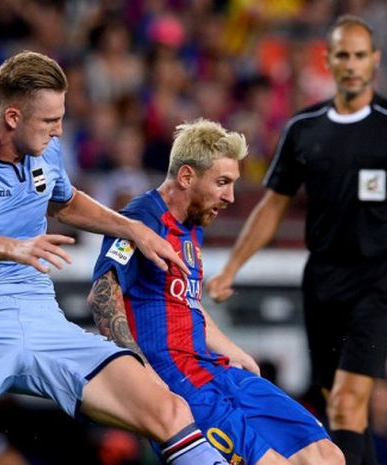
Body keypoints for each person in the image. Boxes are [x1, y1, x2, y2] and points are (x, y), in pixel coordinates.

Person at [0, 50, 229, 465]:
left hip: (42, 317)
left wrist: (131, 227)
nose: (59, 131)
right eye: (49, 121)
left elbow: (65, 200)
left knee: (168, 409)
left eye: (61, 118)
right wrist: (13, 247)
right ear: (13, 117)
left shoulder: (45, 149)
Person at [206, 15, 387, 465]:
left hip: (379, 278)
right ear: (327, 60)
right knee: (341, 410)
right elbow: (272, 205)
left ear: (375, 60)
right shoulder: (303, 128)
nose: (351, 64)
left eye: (360, 55)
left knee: (347, 400)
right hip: (323, 278)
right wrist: (232, 267)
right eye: (342, 54)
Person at [89, 118, 344, 465]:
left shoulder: (193, 223)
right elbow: (103, 296)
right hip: (179, 382)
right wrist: (139, 372)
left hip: (217, 371)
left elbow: (186, 303)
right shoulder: (142, 220)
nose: (231, 197)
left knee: (325, 455)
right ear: (187, 177)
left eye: (234, 184)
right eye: (222, 183)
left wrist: (236, 352)